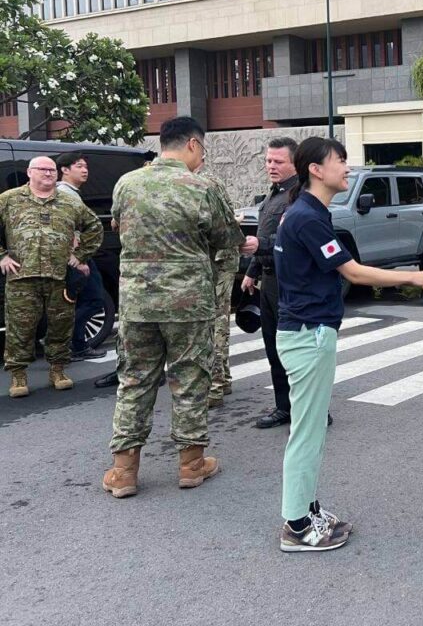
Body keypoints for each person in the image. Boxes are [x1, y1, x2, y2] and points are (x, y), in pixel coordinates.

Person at [273, 136, 423, 552]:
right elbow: (353, 272)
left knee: (312, 429)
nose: (347, 168)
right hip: (308, 335)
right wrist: (417, 276)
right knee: (307, 433)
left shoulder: (308, 213)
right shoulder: (307, 217)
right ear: (316, 169)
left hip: (307, 331)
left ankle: (307, 508)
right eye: (340, 160)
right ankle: (296, 526)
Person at [102, 117, 257, 499]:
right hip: (188, 302)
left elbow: (118, 227)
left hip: (137, 301)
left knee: (134, 380)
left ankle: (124, 471)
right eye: (202, 149)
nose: (201, 157)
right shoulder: (202, 187)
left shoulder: (127, 183)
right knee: (189, 379)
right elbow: (227, 237)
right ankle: (191, 465)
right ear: (191, 144)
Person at [241, 138, 334, 429]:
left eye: (278, 161)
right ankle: (285, 407)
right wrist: (253, 270)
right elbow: (266, 233)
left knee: (300, 351)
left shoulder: (302, 197)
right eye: (268, 161)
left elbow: (289, 240)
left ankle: (315, 410)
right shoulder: (274, 195)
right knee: (274, 348)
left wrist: (260, 245)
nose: (271, 166)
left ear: (295, 164)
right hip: (270, 281)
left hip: (292, 284)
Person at [0, 157, 103, 397]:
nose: (48, 173)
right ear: (29, 172)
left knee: (61, 325)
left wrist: (81, 256)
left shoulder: (69, 202)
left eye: (51, 170)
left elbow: (95, 227)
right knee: (20, 328)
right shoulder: (9, 200)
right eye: (42, 169)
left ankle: (58, 370)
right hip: (22, 277)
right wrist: (2, 256)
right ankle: (18, 374)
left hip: (59, 277)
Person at [54, 152, 108, 364]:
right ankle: (69, 343)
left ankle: (75, 344)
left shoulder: (69, 192)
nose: (85, 170)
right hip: (76, 257)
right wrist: (79, 259)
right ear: (64, 170)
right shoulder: (64, 194)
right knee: (94, 299)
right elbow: (66, 229)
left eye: (85, 166)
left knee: (81, 301)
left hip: (74, 255)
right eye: (79, 166)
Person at [207, 175, 241, 408]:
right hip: (218, 258)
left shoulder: (205, 183)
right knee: (218, 320)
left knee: (216, 322)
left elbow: (227, 223)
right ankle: (223, 378)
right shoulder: (204, 181)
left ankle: (215, 385)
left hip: (220, 259)